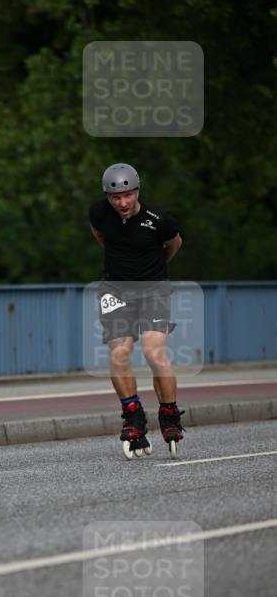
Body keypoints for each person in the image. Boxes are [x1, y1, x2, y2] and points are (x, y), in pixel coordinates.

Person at [89, 162, 185, 458]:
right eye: (115, 198)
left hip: (154, 288)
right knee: (118, 352)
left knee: (154, 353)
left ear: (136, 192)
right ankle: (133, 415)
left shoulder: (159, 219)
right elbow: (101, 238)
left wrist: (151, 270)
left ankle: (169, 414)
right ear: (107, 196)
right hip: (115, 289)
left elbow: (174, 245)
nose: (122, 203)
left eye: (127, 196)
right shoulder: (98, 213)